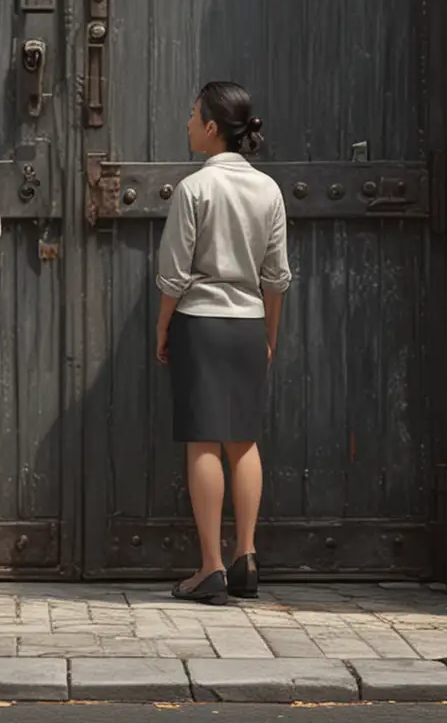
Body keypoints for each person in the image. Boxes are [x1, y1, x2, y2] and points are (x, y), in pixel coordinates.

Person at [155, 81, 290, 605]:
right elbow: (276, 277)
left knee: (203, 441)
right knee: (244, 442)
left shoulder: (195, 189)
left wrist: (164, 328)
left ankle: (210, 567)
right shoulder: (268, 190)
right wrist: (268, 334)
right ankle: (246, 556)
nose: (188, 124)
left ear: (212, 128)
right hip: (249, 324)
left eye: (193, 116)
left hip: (201, 321)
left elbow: (174, 274)